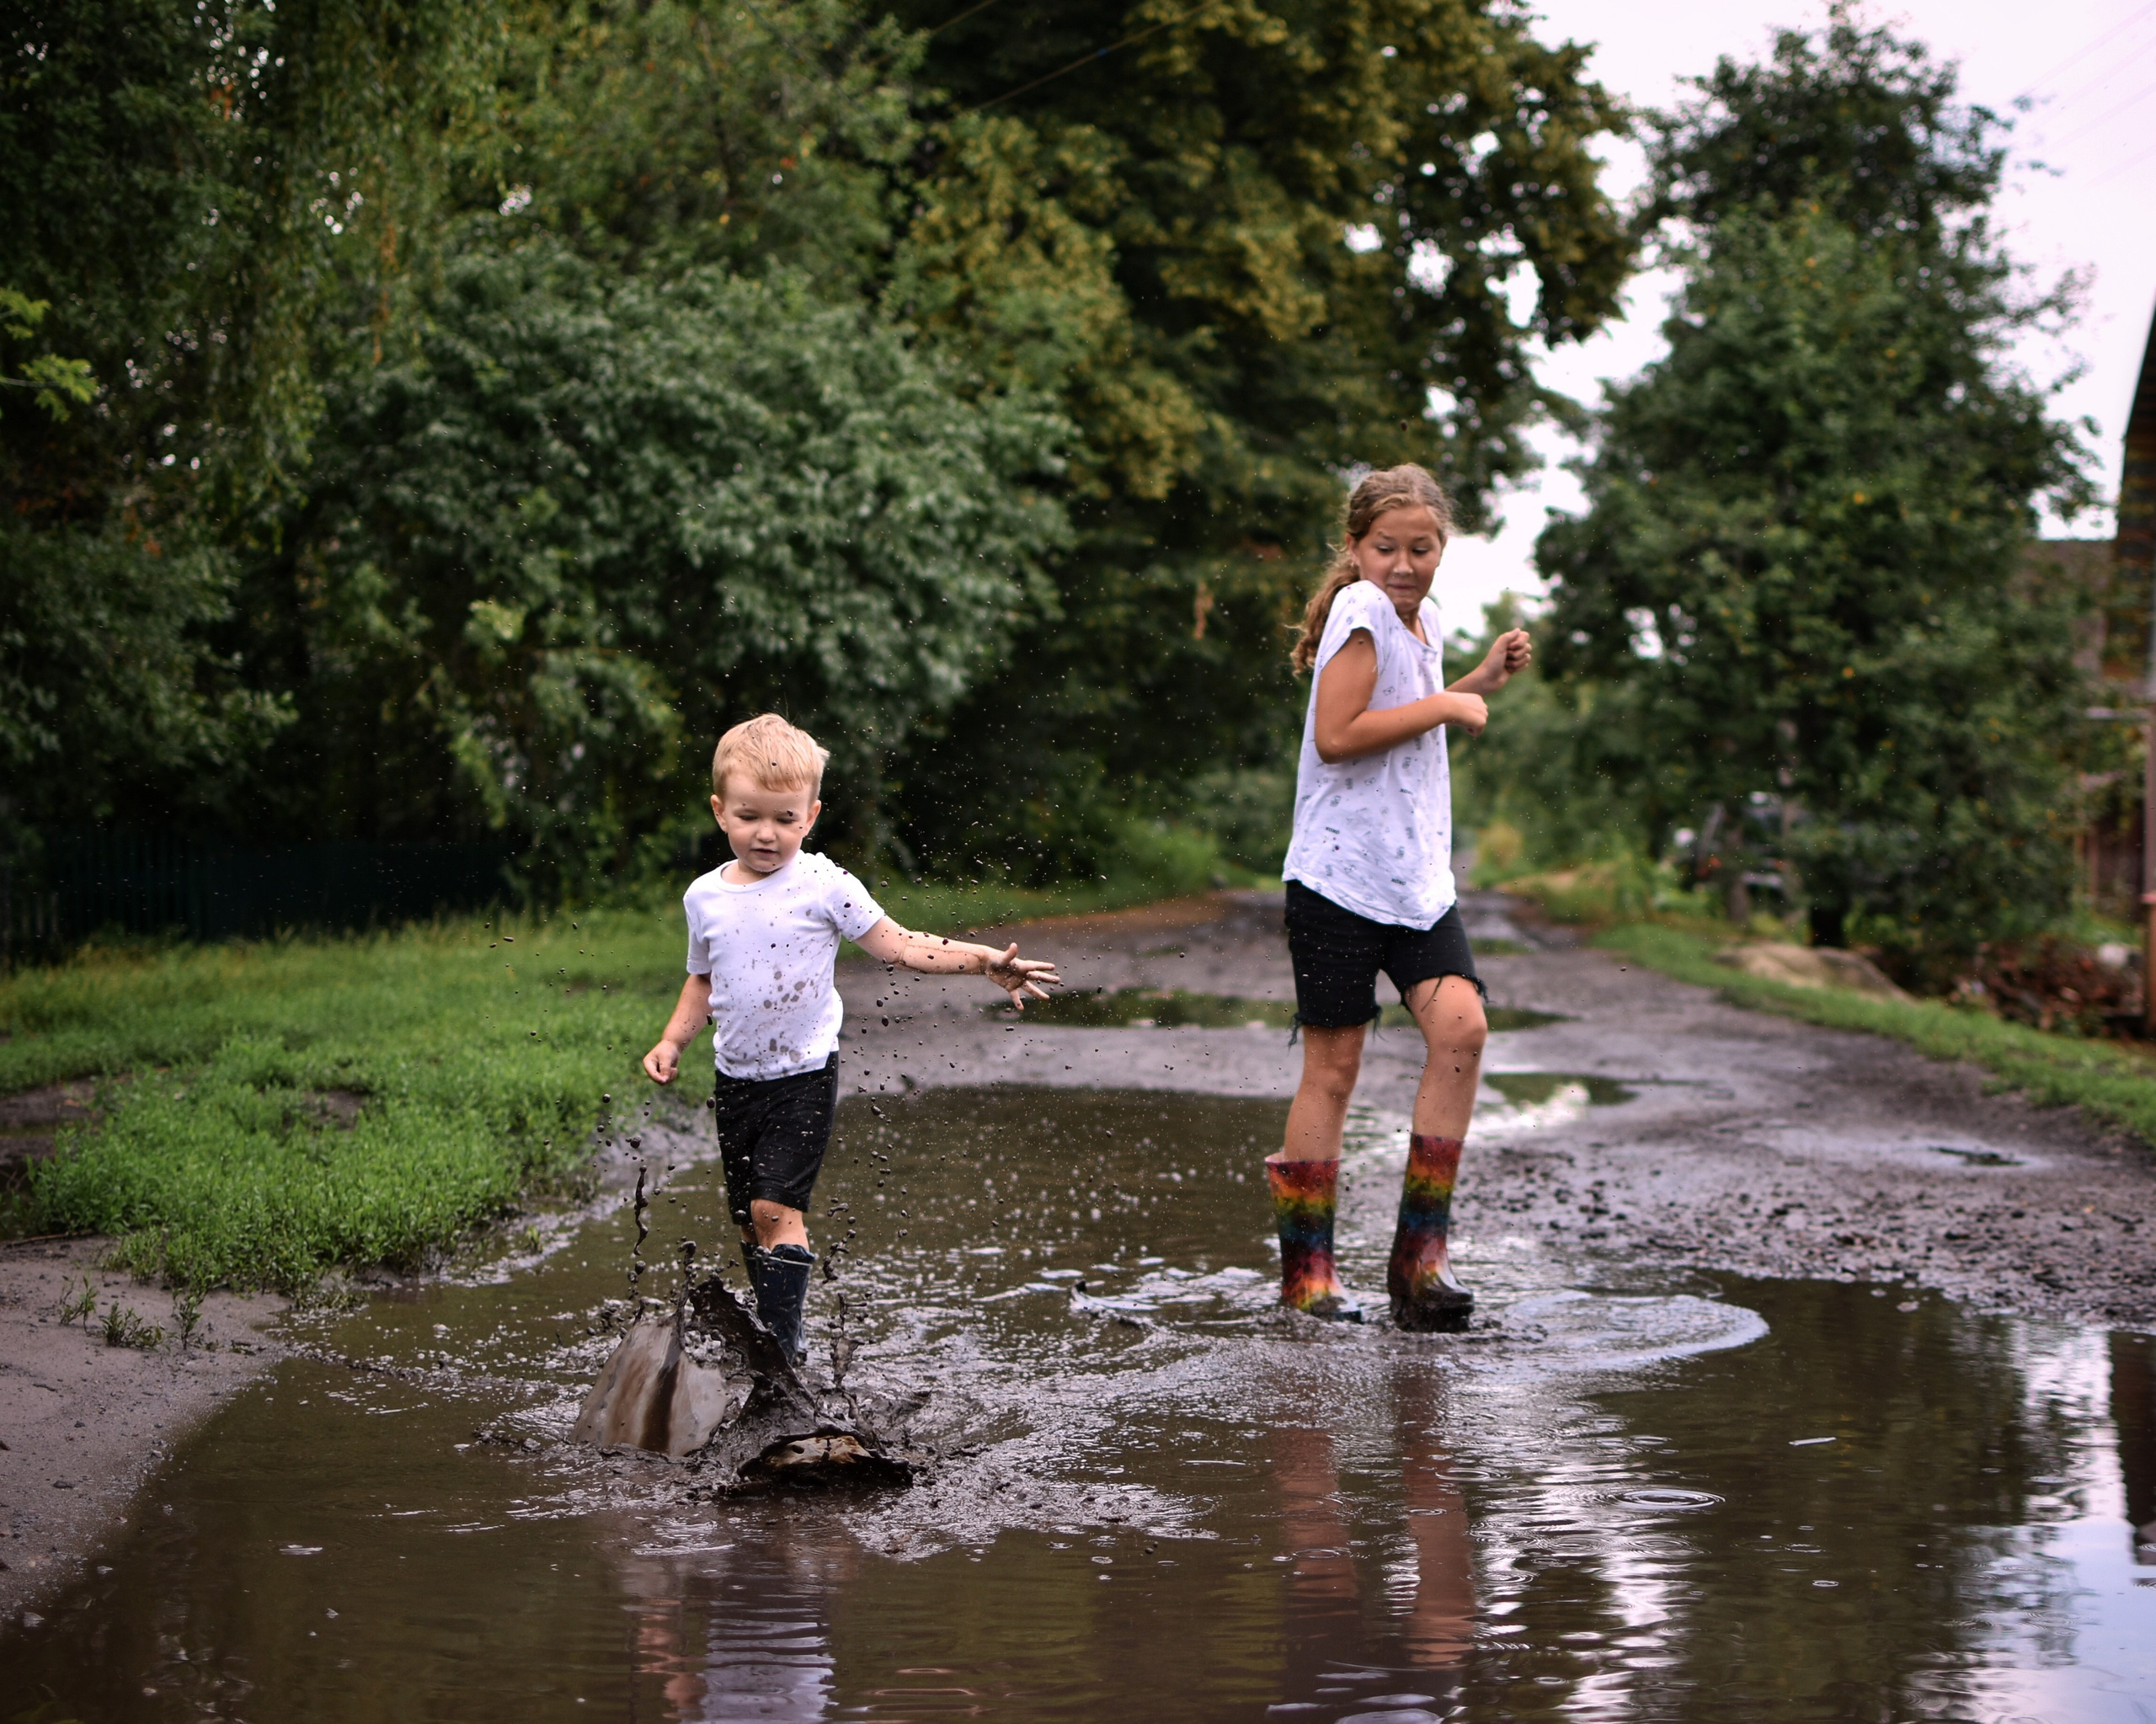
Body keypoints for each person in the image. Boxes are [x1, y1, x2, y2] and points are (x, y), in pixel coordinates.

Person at [643, 713, 1059, 1361]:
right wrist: (673, 1041)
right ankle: (779, 1340)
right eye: (751, 815)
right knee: (752, 1223)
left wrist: (982, 960)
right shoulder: (705, 897)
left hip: (804, 1075)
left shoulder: (824, 884)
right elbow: (701, 980)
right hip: (736, 1079)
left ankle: (781, 1355)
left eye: (785, 819)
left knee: (775, 1211)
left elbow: (900, 945)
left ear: (810, 816)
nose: (767, 833)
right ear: (721, 811)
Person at [1267, 465, 1532, 1331]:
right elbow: (1339, 737)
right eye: (1386, 548)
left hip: (1417, 883)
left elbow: (1411, 707)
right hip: (1340, 879)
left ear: (1441, 548)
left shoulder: (1421, 621)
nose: (1405, 563)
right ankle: (1308, 1275)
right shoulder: (1360, 610)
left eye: (1422, 548)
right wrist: (1453, 703)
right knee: (1333, 1070)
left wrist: (1479, 677)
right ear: (1354, 548)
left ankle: (1420, 1261)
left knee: (1461, 1029)